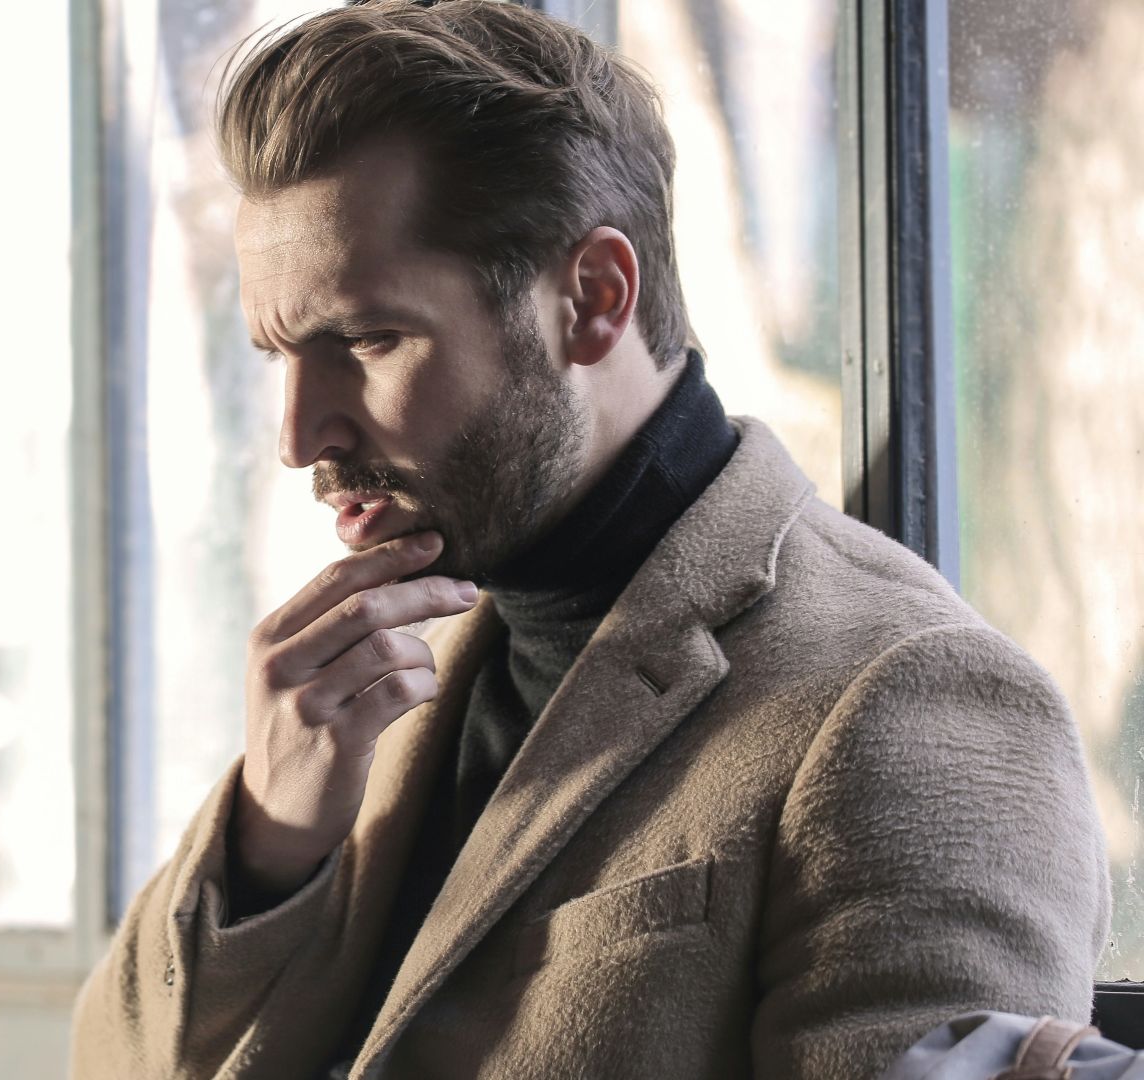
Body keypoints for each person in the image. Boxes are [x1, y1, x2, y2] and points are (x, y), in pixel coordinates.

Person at [70, 2, 1111, 1077]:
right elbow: (107, 1062)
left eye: (370, 339)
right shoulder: (384, 667)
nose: (300, 437)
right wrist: (268, 842)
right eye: (281, 355)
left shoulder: (916, 701)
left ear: (594, 298)